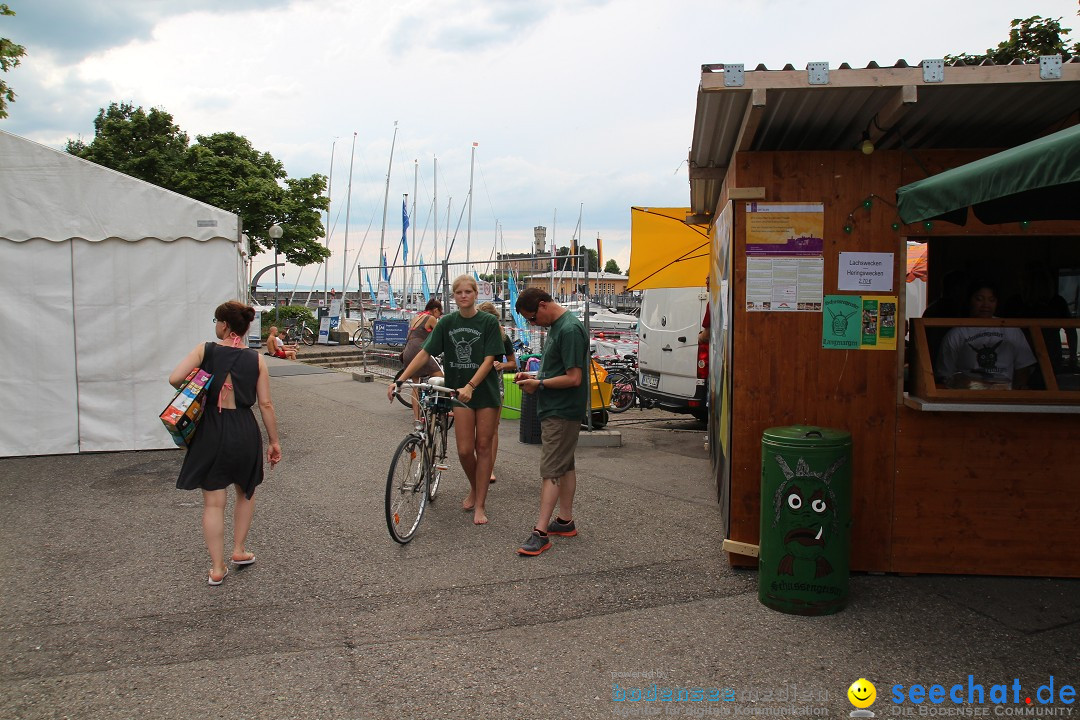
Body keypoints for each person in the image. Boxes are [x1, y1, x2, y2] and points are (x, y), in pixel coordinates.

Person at [170, 300, 281, 586]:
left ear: (225, 325)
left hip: (211, 429)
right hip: (244, 428)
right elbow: (265, 404)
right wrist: (274, 441)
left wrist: (201, 380)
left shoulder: (205, 350)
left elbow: (174, 379)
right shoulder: (256, 359)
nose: (216, 326)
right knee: (246, 491)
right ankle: (239, 550)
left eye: (216, 321)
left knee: (214, 502)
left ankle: (217, 568)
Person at [387, 276, 503, 525]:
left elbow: (489, 358)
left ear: (475, 294)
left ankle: (480, 503)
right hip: (457, 393)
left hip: (484, 392)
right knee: (463, 450)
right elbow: (424, 353)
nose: (463, 296)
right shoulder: (447, 323)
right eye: (459, 292)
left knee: (482, 447)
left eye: (468, 291)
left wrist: (471, 385)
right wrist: (401, 380)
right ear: (454, 296)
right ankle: (475, 487)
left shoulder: (488, 322)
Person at [513, 287, 589, 557]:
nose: (532, 324)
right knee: (564, 465)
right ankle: (565, 521)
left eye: (531, 318)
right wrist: (533, 375)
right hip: (557, 407)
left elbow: (574, 378)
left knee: (551, 470)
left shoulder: (568, 330)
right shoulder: (559, 326)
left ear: (543, 305)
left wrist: (539, 383)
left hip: (562, 409)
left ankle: (540, 532)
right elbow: (560, 370)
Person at [935, 281, 1036, 390]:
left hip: (1004, 397)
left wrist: (1015, 393)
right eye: (979, 299)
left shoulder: (1011, 330)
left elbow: (1023, 367)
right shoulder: (957, 333)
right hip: (968, 398)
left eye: (991, 300)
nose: (986, 305)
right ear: (969, 300)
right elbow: (945, 374)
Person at [1002, 262, 1077, 385]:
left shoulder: (1056, 303)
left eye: (1023, 279)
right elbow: (1002, 329)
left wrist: (1072, 357)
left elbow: (1071, 329)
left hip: (1048, 356)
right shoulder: (1016, 303)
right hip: (1021, 356)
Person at [478, 301, 517, 484]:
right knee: (477, 429)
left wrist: (502, 365)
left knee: (492, 428)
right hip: (475, 383)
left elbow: (513, 363)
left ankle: (489, 467)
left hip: (495, 383)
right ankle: (481, 463)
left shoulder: (503, 338)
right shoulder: (475, 334)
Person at [400, 299, 444, 421]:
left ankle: (417, 418)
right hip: (419, 350)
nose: (439, 316)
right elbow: (440, 334)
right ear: (435, 310)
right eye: (439, 314)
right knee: (440, 378)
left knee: (415, 385)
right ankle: (435, 409)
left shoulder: (417, 317)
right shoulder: (431, 318)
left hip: (407, 350)